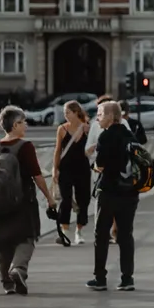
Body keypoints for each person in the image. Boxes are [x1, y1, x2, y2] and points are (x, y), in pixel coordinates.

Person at [0, 106, 53, 295]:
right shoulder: (25, 146)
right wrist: (50, 197)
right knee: (26, 237)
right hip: (23, 200)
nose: (26, 125)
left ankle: (7, 282)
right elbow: (37, 175)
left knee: (3, 239)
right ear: (15, 124)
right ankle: (18, 270)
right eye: (23, 122)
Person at [87, 100, 139, 292]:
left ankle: (100, 278)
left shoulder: (105, 137)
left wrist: (94, 166)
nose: (98, 117)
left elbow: (100, 165)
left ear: (111, 116)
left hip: (109, 192)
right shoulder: (130, 135)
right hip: (130, 193)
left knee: (101, 234)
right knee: (126, 235)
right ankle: (127, 278)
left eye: (100, 113)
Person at [50, 100, 92, 247]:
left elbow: (93, 144)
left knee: (83, 200)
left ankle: (79, 232)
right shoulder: (62, 129)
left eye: (68, 112)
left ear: (75, 112)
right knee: (66, 199)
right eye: (64, 113)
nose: (65, 115)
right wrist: (55, 169)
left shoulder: (87, 127)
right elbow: (57, 150)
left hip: (82, 168)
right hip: (66, 168)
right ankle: (65, 232)